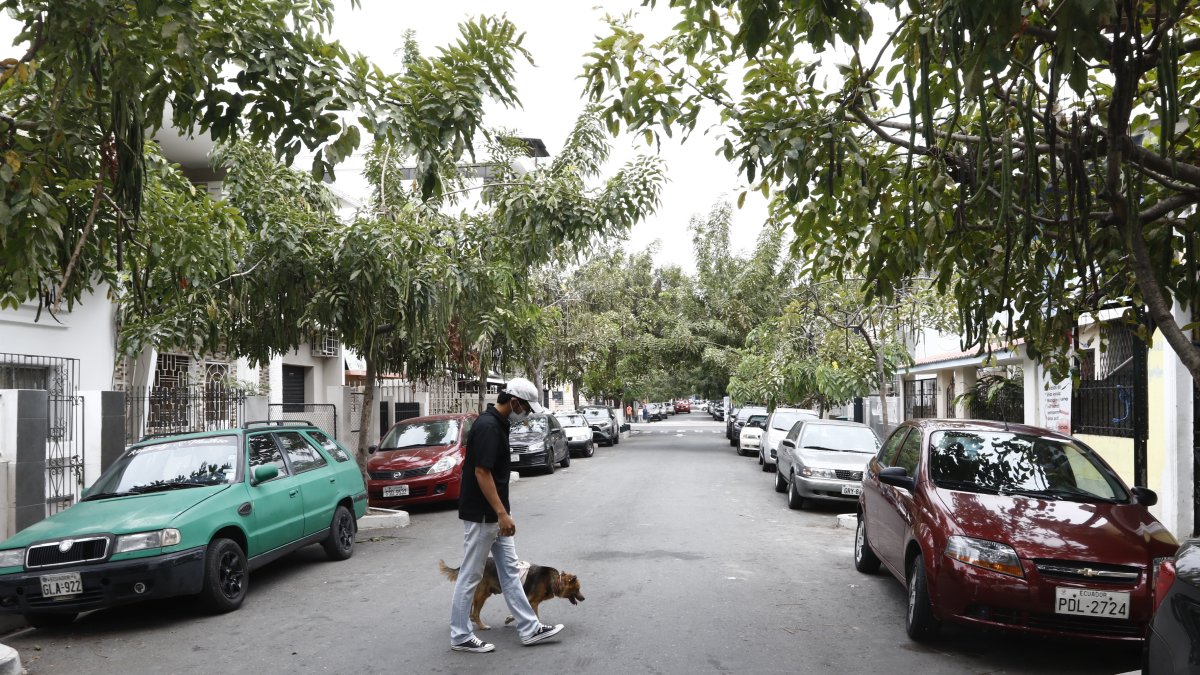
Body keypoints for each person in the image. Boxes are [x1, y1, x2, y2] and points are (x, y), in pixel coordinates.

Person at [449, 377, 565, 653]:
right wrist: (501, 513)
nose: (525, 414)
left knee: (511, 572)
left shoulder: (497, 424)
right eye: (525, 408)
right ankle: (460, 635)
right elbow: (481, 472)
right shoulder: (489, 427)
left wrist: (503, 513)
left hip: (495, 516)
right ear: (513, 401)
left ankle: (529, 628)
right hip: (484, 516)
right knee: (470, 575)